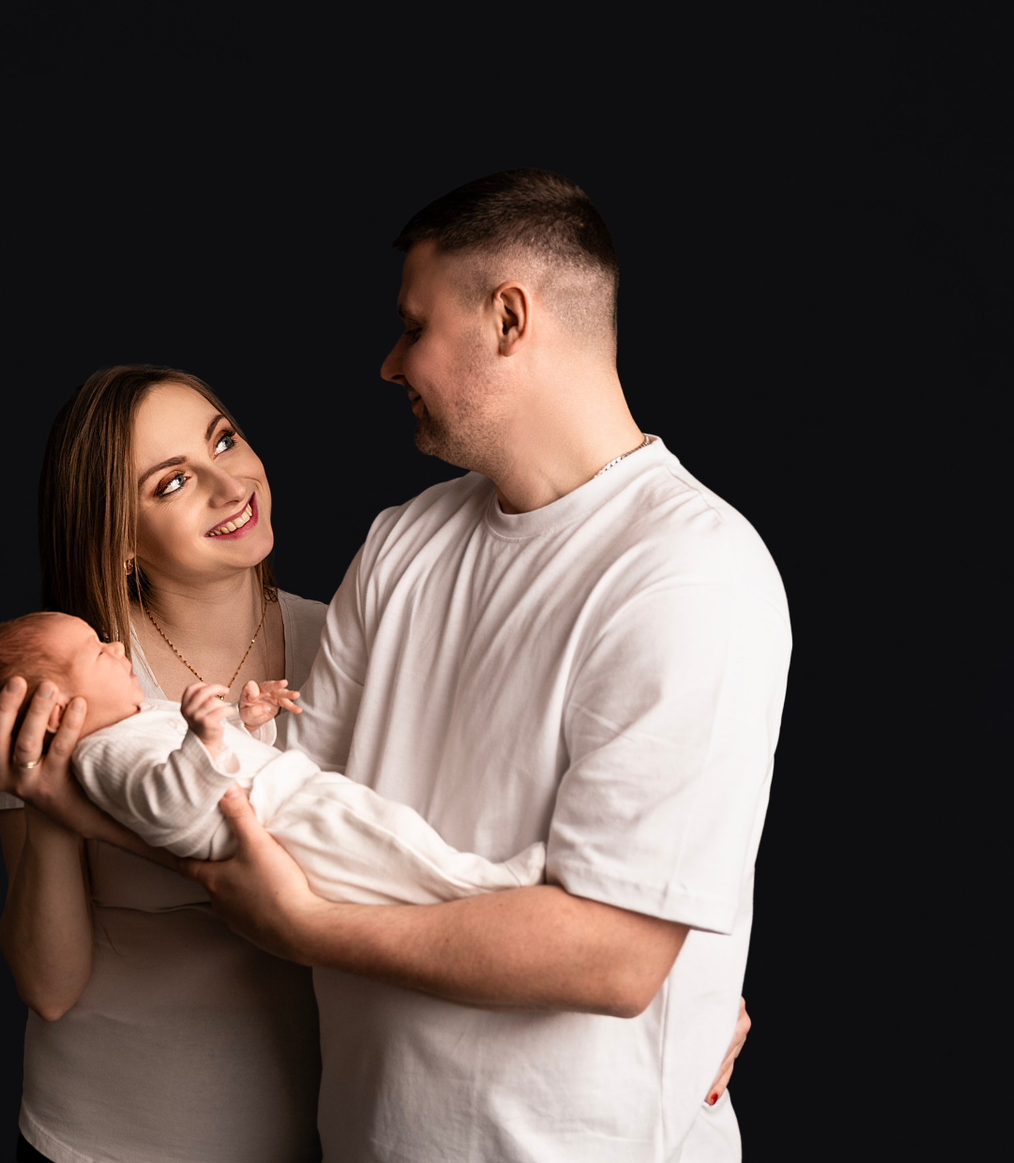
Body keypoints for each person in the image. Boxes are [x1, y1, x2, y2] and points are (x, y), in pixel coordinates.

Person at [170, 169, 792, 1162]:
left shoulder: (691, 573)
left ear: (509, 318)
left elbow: (613, 954)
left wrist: (308, 930)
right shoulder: (402, 541)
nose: (389, 364)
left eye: (413, 326)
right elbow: (285, 814)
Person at [0, 366, 330, 1163]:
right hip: (107, 1139)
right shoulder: (74, 682)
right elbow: (50, 988)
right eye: (173, 482)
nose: (230, 485)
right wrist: (47, 797)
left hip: (325, 1136)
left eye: (224, 440)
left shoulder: (347, 644)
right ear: (119, 537)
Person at [0, 610, 545, 900]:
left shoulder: (136, 721)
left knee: (390, 837)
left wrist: (247, 724)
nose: (114, 647)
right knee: (387, 845)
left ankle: (481, 882)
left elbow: (221, 765)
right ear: (58, 711)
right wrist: (202, 736)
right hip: (278, 821)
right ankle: (492, 889)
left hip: (285, 799)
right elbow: (172, 811)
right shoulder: (100, 755)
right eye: (95, 652)